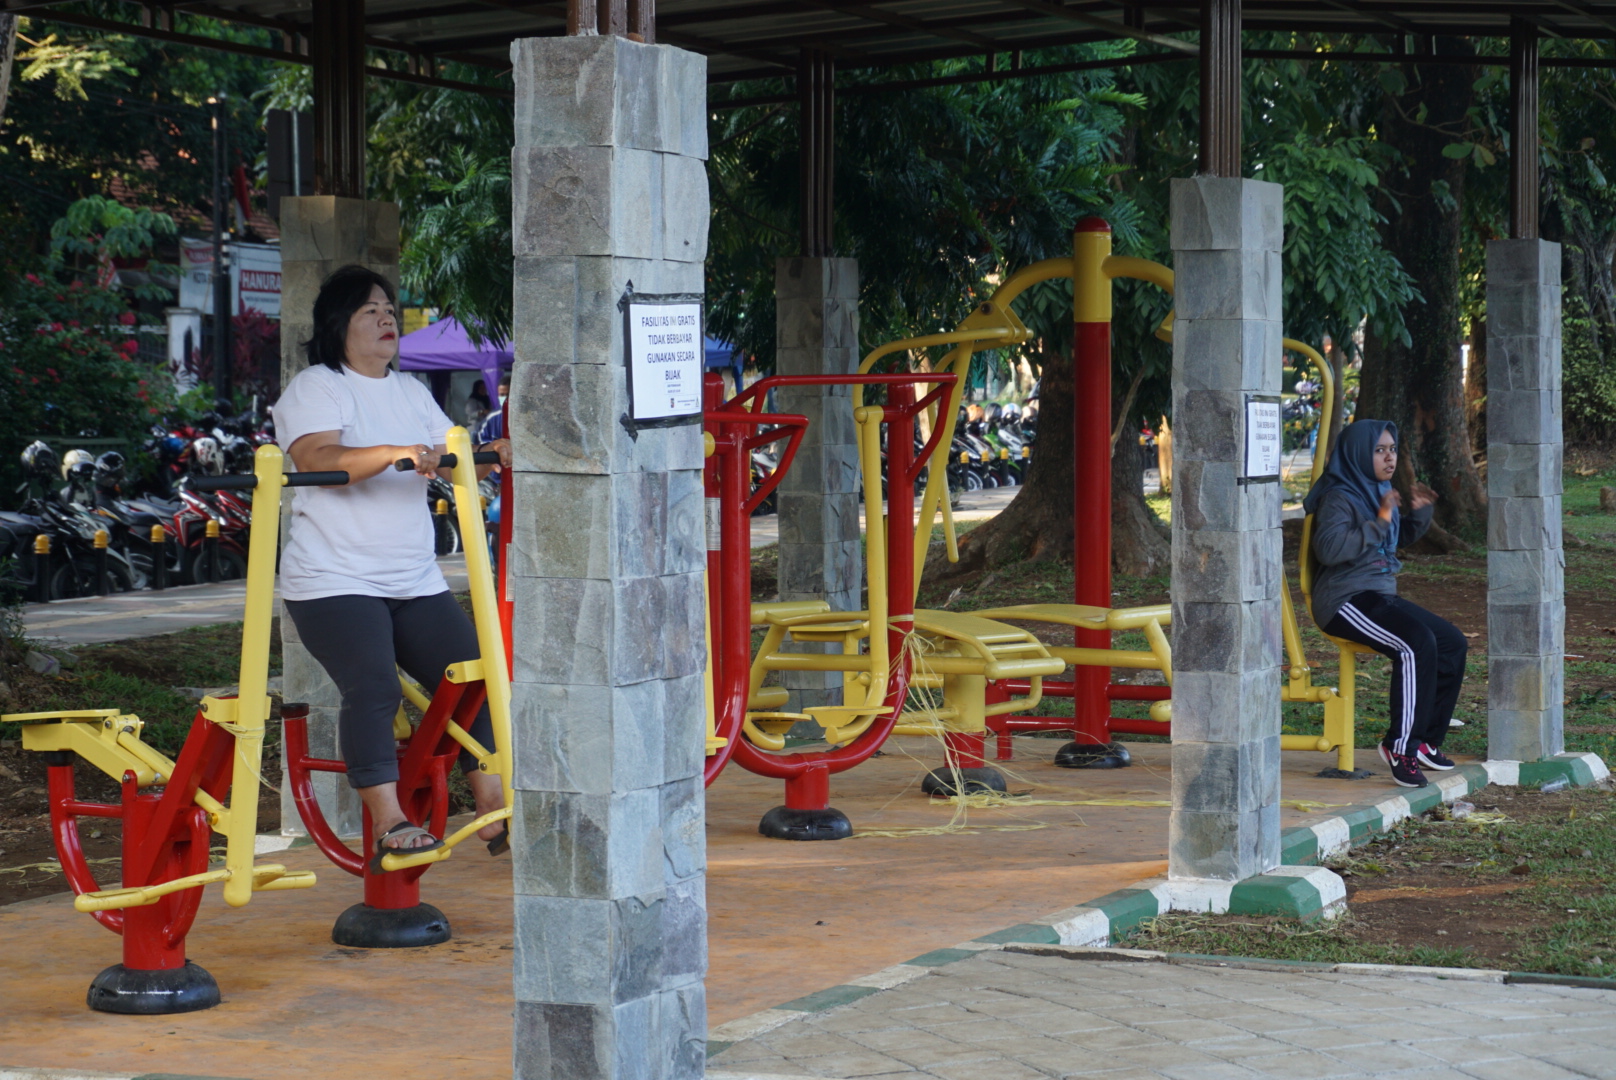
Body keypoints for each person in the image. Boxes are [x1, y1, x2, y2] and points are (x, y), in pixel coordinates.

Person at [274, 265, 513, 868]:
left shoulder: (408, 390)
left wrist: (491, 455)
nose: (386, 319)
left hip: (411, 578)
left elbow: (449, 459)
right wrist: (393, 453)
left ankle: (492, 808)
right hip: (333, 581)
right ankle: (389, 819)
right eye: (369, 311)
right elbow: (316, 455)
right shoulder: (317, 386)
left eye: (388, 309)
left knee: (474, 678)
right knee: (375, 687)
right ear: (339, 326)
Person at [1304, 420, 1467, 788]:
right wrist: (1378, 521)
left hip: (1378, 595)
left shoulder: (1379, 489)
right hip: (1344, 600)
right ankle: (1400, 746)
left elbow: (1395, 537)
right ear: (1359, 453)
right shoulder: (1340, 497)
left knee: (1451, 642)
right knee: (1414, 644)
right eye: (1380, 450)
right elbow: (1329, 550)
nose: (1389, 456)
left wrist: (1420, 513)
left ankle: (1423, 741)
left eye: (1392, 449)